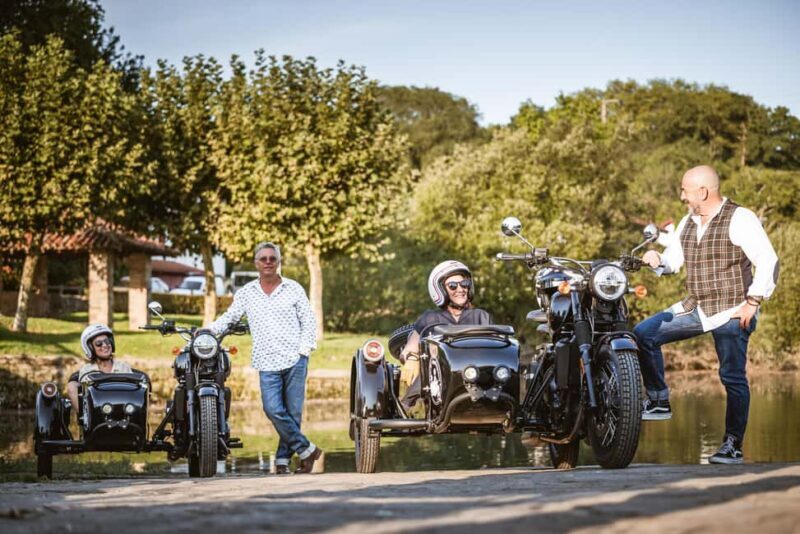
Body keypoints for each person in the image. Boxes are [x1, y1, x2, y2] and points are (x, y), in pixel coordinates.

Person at [634, 165, 779, 465]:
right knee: (644, 334)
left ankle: (732, 445)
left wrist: (752, 302)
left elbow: (769, 260)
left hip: (732, 310)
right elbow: (673, 261)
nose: (682, 196)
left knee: (732, 377)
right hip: (696, 307)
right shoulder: (688, 221)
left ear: (703, 191)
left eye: (685, 190)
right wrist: (656, 259)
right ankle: (659, 400)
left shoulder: (740, 218)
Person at [211, 242, 321, 475]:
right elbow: (230, 318)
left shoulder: (293, 288)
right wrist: (208, 331)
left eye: (273, 258)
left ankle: (283, 460)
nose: (268, 262)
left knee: (293, 413)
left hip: (295, 358)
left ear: (279, 261)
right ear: (256, 263)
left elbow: (308, 321)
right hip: (266, 360)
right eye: (264, 259)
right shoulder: (247, 293)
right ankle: (307, 449)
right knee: (272, 408)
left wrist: (304, 350)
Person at [400, 260, 492, 408]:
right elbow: (409, 348)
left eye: (465, 284)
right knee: (413, 397)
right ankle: (410, 407)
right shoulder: (429, 318)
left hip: (476, 375)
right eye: (453, 286)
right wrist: (412, 359)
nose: (460, 289)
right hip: (437, 377)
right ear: (440, 290)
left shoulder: (481, 316)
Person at [67, 324, 133, 416]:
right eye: (99, 343)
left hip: (122, 416)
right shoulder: (86, 371)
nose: (105, 345)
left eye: (107, 341)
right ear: (90, 348)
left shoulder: (124, 367)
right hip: (96, 418)